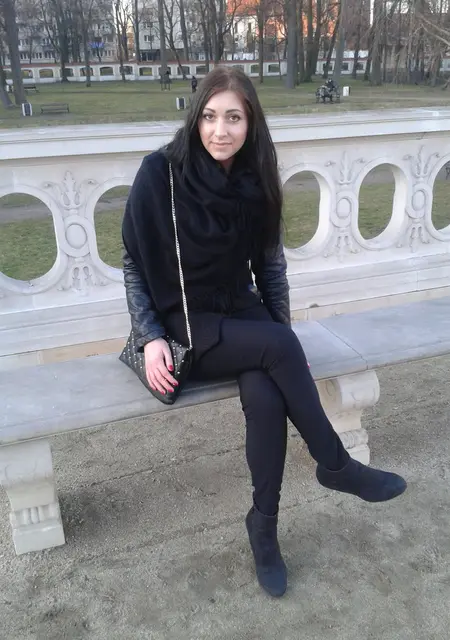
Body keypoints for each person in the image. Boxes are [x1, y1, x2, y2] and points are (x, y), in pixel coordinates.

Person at [121, 66, 407, 598]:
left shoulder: (255, 180)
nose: (220, 130)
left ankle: (264, 526)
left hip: (240, 309)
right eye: (210, 116)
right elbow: (134, 262)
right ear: (195, 118)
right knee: (277, 348)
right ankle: (336, 464)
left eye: (233, 117)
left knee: (268, 395)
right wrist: (150, 335)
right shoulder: (160, 173)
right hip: (186, 322)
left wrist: (281, 345)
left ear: (251, 122)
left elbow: (270, 269)